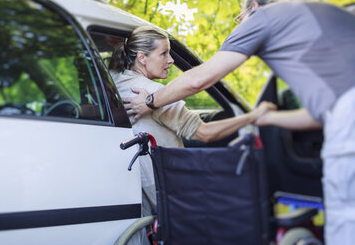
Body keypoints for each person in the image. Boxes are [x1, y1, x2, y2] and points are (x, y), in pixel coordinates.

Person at [123, 0, 355, 245]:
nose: (239, 26)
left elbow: (200, 79)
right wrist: (263, 119)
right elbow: (319, 117)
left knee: (346, 219)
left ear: (254, 7)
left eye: (239, 19)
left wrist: (150, 101)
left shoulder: (263, 16)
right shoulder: (320, 13)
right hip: (343, 116)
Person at [109, 25, 275, 216]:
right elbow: (205, 134)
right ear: (142, 57)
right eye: (164, 53)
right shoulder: (154, 94)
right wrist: (253, 116)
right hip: (172, 193)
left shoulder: (113, 82)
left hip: (140, 191)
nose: (171, 60)